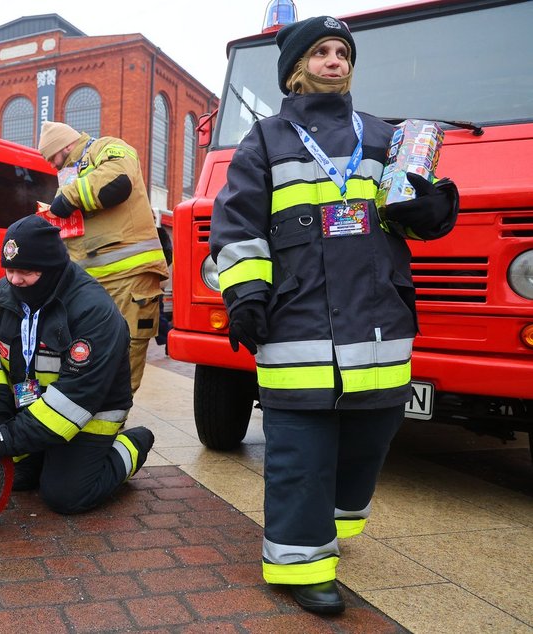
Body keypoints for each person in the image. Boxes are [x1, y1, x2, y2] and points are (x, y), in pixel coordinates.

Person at [209, 16, 458, 614]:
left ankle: (334, 529)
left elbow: (412, 216)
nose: (334, 61)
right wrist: (245, 295)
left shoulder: (383, 137)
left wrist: (431, 206)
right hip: (297, 326)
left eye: (342, 52)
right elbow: (237, 227)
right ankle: (299, 563)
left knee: (368, 442)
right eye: (320, 51)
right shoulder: (265, 139)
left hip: (378, 327)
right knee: (301, 452)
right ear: (297, 67)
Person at [0, 215, 156, 514]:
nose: (14, 280)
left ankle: (133, 444)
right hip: (36, 405)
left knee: (66, 496)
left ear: (52, 269)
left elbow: (75, 400)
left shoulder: (93, 311)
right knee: (20, 477)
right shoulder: (3, 294)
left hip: (90, 411)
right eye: (9, 270)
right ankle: (42, 449)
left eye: (25, 271)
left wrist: (8, 437)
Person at [37, 121, 170, 394]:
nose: (52, 165)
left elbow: (118, 180)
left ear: (66, 145)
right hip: (95, 282)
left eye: (52, 157)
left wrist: (69, 197)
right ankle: (94, 411)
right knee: (91, 348)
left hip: (130, 278)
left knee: (126, 348)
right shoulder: (69, 174)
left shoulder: (107, 147)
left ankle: (113, 418)